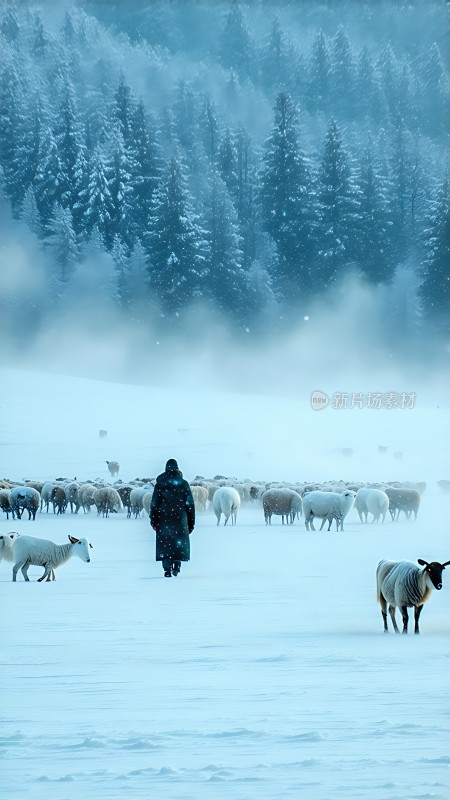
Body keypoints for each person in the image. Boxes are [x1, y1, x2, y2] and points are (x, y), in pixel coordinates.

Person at [150, 459, 195, 577]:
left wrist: (153, 520)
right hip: (180, 519)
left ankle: (167, 569)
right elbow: (190, 504)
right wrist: (191, 522)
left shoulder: (160, 484)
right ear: (177, 469)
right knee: (177, 544)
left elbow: (154, 503)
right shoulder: (183, 484)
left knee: (166, 545)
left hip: (163, 519)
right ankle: (177, 567)